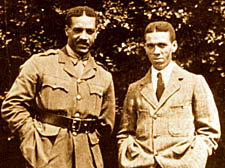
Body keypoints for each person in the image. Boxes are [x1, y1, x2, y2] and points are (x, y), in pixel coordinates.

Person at [1, 6, 115, 168]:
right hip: (47, 153)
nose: (84, 37)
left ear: (96, 34)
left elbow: (106, 125)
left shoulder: (103, 75)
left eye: (89, 32)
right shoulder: (41, 63)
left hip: (87, 158)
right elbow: (12, 105)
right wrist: (30, 137)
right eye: (78, 30)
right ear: (67, 30)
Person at [117, 21, 221, 168]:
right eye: (151, 46)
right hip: (142, 165)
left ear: (174, 46)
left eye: (162, 45)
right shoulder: (135, 89)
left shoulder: (193, 82)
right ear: (145, 48)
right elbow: (125, 133)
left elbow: (209, 131)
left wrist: (195, 160)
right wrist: (127, 154)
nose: (156, 51)